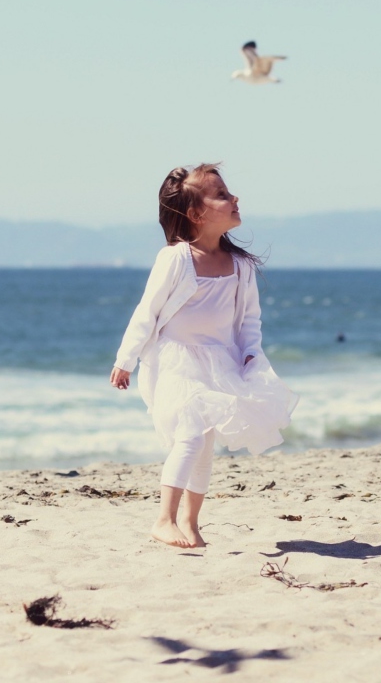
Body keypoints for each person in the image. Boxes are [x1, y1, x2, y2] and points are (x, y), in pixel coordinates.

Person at [110, 163, 298, 548]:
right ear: (196, 214)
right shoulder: (176, 259)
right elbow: (147, 311)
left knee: (206, 445)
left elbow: (249, 319)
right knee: (190, 435)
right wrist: (125, 359)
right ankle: (164, 519)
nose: (234, 199)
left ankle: (191, 522)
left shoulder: (241, 266)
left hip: (221, 362)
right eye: (222, 195)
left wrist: (250, 355)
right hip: (178, 361)